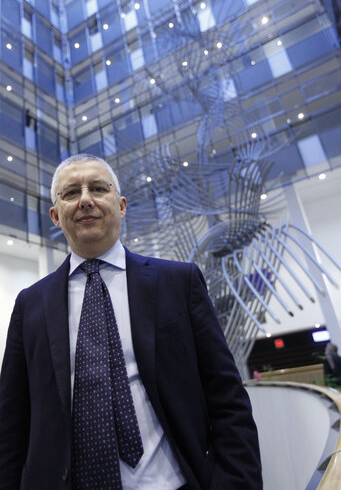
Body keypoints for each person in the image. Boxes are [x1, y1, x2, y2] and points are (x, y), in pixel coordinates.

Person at [0, 154, 262, 490]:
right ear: (55, 215)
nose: (85, 200)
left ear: (121, 205)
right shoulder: (30, 304)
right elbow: (12, 422)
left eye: (98, 188)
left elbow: (226, 397)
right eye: (70, 193)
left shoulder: (178, 283)